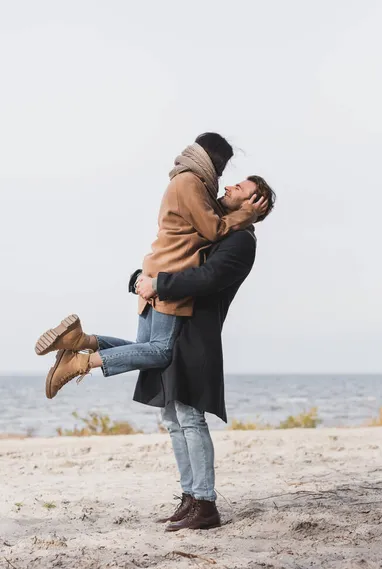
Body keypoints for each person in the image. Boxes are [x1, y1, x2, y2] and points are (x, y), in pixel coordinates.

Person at [35, 133, 268, 399]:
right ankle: (80, 362)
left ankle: (82, 341)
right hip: (169, 272)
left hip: (157, 271)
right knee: (160, 351)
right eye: (224, 167)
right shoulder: (191, 182)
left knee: (145, 347)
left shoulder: (188, 180)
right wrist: (247, 214)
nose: (225, 181)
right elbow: (214, 229)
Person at [133, 175, 276, 531]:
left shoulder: (241, 242)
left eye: (239, 189)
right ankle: (190, 496)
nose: (227, 187)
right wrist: (141, 277)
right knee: (171, 417)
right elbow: (180, 257)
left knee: (190, 416)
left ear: (254, 204)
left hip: (197, 335)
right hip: (174, 323)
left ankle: (206, 504)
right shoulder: (217, 230)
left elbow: (207, 279)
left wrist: (159, 285)